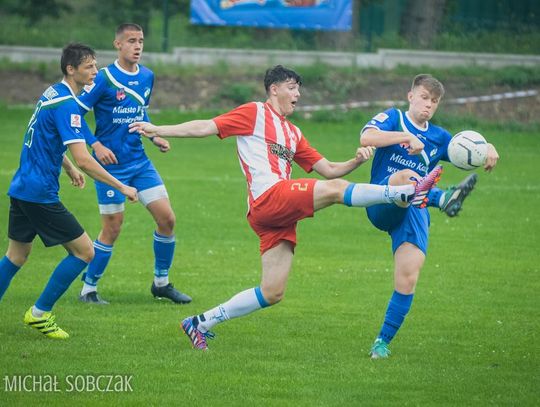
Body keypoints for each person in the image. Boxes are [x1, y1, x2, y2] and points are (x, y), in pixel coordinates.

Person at [129, 65, 442, 350]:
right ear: (274, 89)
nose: (297, 94)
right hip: (269, 197)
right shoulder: (253, 113)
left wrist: (355, 161)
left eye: (299, 89)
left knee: (272, 291)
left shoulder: (293, 133)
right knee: (336, 193)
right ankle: (405, 192)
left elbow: (329, 169)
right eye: (292, 87)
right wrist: (159, 129)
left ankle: (200, 322)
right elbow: (204, 127)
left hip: (275, 215)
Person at [0, 43, 138, 339]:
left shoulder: (52, 93)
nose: (95, 71)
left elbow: (44, 139)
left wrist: (67, 167)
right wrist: (121, 185)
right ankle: (40, 314)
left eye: (95, 65)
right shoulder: (68, 105)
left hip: (22, 187)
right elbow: (86, 158)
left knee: (16, 255)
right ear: (71, 69)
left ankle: (39, 313)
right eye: (88, 66)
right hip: (39, 193)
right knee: (85, 252)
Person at [359, 74, 500, 359]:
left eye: (434, 102)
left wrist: (489, 148)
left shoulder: (439, 138)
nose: (428, 105)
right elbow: (366, 136)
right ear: (411, 96)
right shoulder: (393, 118)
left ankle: (381, 343)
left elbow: (465, 148)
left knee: (408, 277)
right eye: (424, 98)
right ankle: (442, 197)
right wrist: (406, 137)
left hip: (413, 209)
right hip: (381, 201)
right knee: (409, 176)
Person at [77, 23, 191, 305]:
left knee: (167, 219)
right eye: (131, 41)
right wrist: (96, 144)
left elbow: (140, 112)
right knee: (113, 227)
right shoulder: (102, 78)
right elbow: (74, 116)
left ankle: (161, 284)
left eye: (140, 41)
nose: (137, 46)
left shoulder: (148, 76)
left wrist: (154, 135)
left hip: (139, 162)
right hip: (110, 166)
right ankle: (88, 289)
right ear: (118, 44)